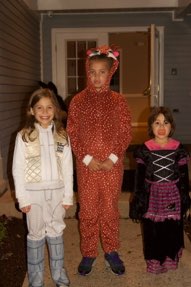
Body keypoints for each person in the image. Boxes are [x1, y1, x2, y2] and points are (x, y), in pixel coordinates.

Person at [67, 45, 132, 276]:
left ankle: (112, 250)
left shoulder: (118, 101)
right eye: (92, 71)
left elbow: (125, 132)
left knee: (109, 209)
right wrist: (86, 158)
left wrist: (112, 158)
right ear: (87, 71)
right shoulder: (78, 101)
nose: (96, 76)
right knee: (88, 210)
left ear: (110, 72)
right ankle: (89, 252)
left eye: (101, 72)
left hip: (112, 168)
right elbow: (72, 133)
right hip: (87, 168)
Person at [12, 88, 73, 287]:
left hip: (56, 192)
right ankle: (36, 280)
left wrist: (67, 196)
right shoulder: (24, 136)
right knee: (36, 234)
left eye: (49, 107)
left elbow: (67, 167)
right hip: (33, 194)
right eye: (39, 107)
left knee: (56, 231)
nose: (44, 112)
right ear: (31, 110)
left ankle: (59, 276)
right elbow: (18, 169)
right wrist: (23, 198)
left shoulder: (62, 136)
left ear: (55, 110)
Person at [129, 106, 190, 274]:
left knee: (171, 228)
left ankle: (170, 259)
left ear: (171, 127)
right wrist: (138, 200)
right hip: (152, 196)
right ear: (151, 126)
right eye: (157, 123)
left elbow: (184, 178)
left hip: (173, 195)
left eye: (166, 123)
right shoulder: (144, 150)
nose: (162, 127)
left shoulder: (179, 149)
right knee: (152, 230)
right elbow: (139, 179)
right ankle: (155, 261)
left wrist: (186, 198)